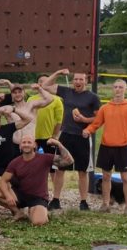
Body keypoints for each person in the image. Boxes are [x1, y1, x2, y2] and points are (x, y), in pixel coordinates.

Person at [81, 78, 127, 214]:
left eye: (120, 87)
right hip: (106, 146)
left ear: (125, 89)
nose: (118, 90)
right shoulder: (105, 108)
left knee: (125, 177)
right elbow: (96, 124)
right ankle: (105, 204)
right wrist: (88, 130)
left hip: (123, 147)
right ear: (112, 89)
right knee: (106, 177)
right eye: (115, 87)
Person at [43, 68, 103, 211]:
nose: (78, 82)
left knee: (82, 171)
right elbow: (45, 86)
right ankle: (56, 199)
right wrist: (57, 73)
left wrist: (84, 119)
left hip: (82, 136)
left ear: (86, 81)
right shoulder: (66, 92)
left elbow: (99, 118)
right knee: (60, 168)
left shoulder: (92, 97)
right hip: (66, 135)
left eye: (81, 79)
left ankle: (83, 202)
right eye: (75, 79)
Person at [0, 134, 73, 226]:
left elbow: (69, 161)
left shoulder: (45, 158)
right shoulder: (15, 162)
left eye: (29, 142)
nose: (26, 145)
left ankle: (37, 210)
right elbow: (3, 181)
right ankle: (18, 212)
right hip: (19, 195)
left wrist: (58, 144)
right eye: (24, 142)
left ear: (34, 145)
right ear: (20, 146)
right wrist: (8, 196)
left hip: (38, 197)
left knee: (38, 222)